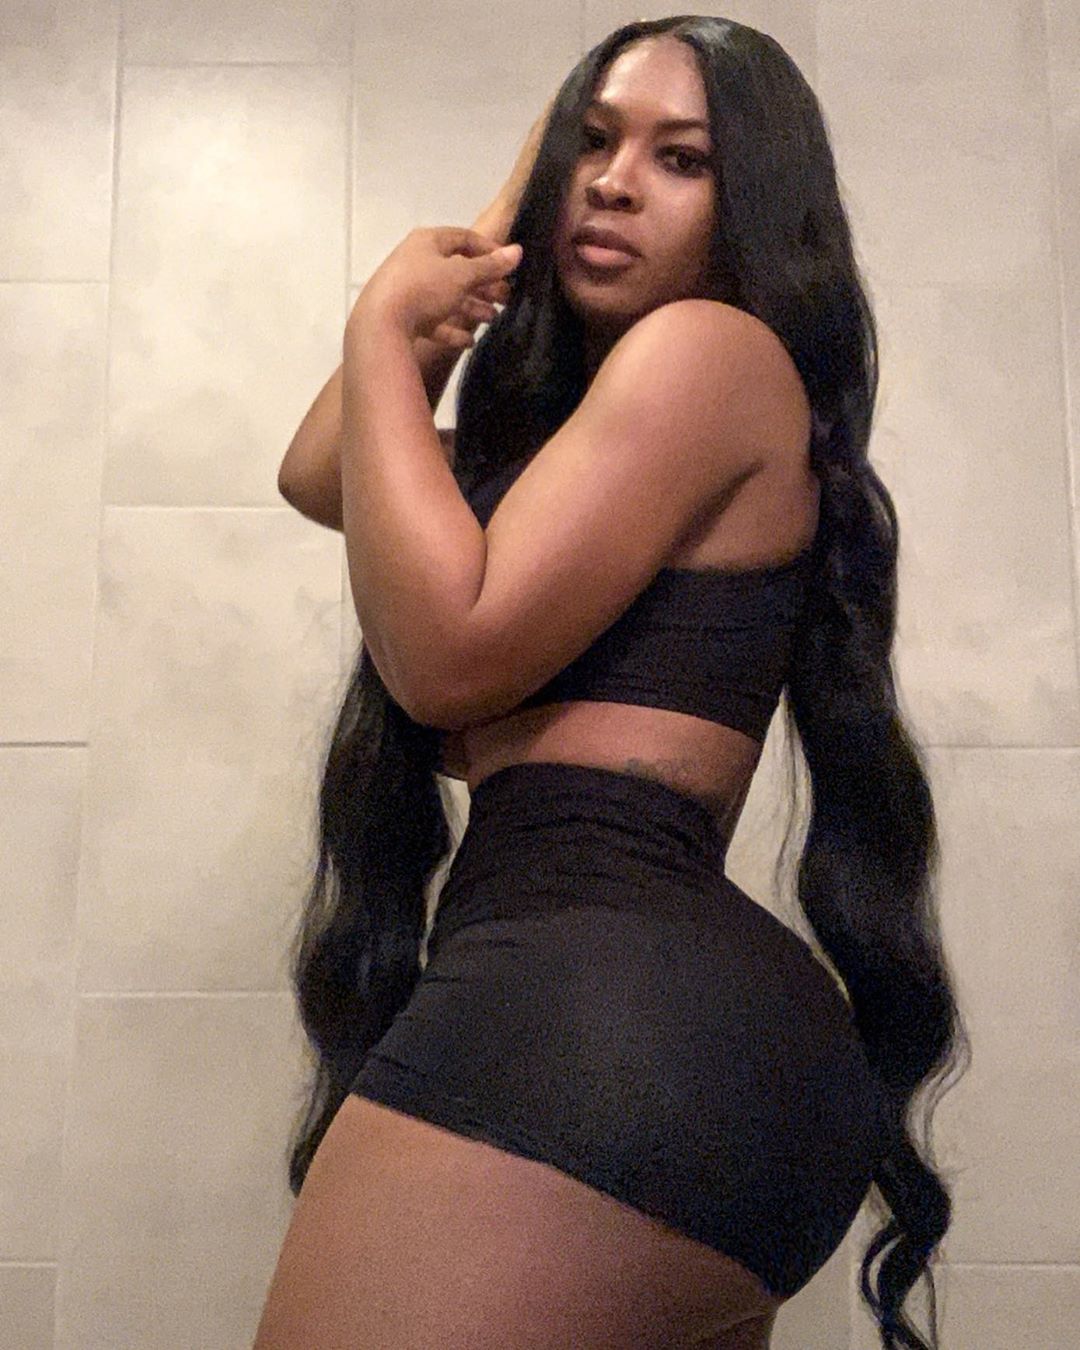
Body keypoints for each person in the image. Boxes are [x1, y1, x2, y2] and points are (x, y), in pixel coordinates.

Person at [259, 15, 969, 1350]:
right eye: (590, 145)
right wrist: (500, 227)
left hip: (600, 1011)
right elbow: (323, 471)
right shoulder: (591, 451)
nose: (613, 182)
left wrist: (388, 314)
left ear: (752, 206)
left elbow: (445, 651)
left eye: (680, 158)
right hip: (670, 1040)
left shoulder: (708, 351)